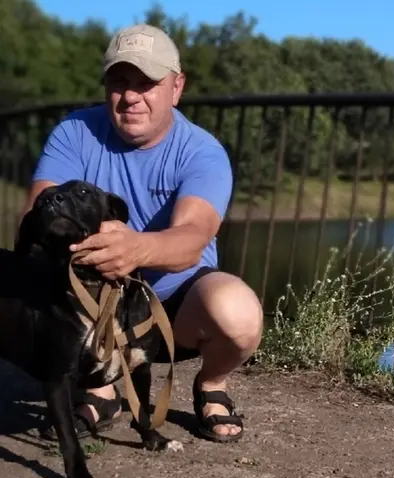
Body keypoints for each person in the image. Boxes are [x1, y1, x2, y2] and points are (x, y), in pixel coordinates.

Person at [18, 23, 263, 444]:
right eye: (119, 82)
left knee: (238, 312)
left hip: (174, 309)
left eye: (147, 83)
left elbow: (193, 238)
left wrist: (135, 248)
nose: (131, 96)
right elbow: (36, 215)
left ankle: (211, 383)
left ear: (176, 87)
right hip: (90, 301)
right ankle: (100, 390)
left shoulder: (202, 151)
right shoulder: (74, 132)